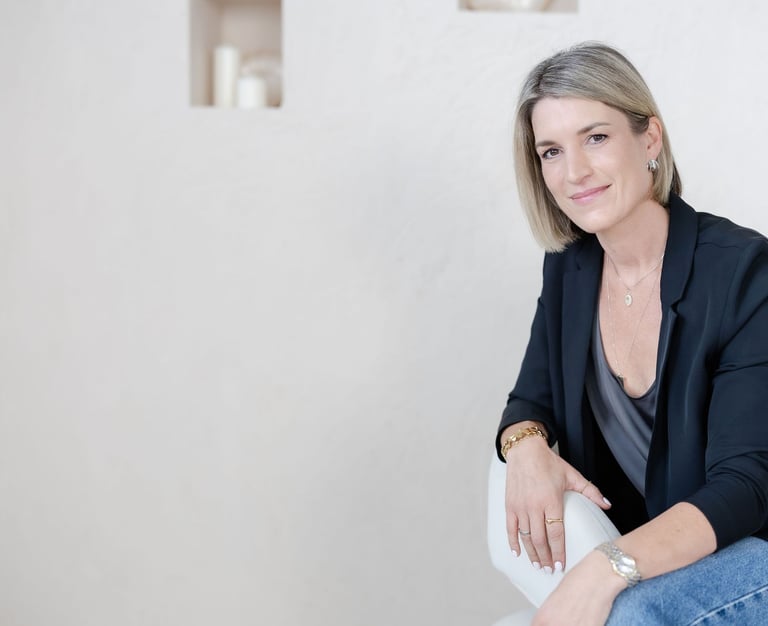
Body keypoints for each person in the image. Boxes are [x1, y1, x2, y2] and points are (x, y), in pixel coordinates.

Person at [496, 42, 768, 625]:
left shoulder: (744, 272)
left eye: (595, 138)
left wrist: (605, 569)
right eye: (551, 151)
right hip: (662, 551)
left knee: (629, 614)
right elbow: (529, 401)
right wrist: (527, 451)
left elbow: (746, 485)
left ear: (649, 140)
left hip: (754, 542)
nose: (574, 172)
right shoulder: (570, 269)